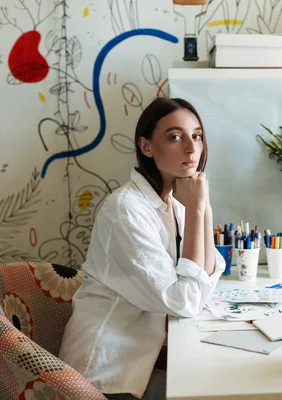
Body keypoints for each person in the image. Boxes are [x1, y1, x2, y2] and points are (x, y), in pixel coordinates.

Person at [59, 98, 225, 400]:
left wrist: (204, 209)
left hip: (144, 355)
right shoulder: (125, 210)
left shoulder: (176, 202)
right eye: (176, 136)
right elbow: (185, 301)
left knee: (222, 376)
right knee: (213, 390)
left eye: (197, 135)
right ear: (146, 147)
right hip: (108, 372)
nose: (191, 148)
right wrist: (198, 211)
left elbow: (208, 277)